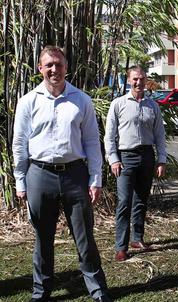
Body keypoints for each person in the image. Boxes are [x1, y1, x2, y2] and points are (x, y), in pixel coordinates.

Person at [12, 46, 112, 301]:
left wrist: (95, 178)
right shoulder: (28, 101)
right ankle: (41, 291)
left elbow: (92, 142)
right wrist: (20, 180)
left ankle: (97, 289)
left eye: (59, 64)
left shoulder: (81, 99)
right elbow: (19, 143)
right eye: (49, 65)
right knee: (42, 238)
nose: (54, 69)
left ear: (66, 67)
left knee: (85, 236)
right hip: (39, 174)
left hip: (75, 176)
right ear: (40, 69)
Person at [105, 66, 167, 262]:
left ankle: (137, 238)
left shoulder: (152, 106)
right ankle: (121, 247)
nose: (139, 82)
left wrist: (161, 159)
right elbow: (109, 136)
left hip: (147, 156)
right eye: (135, 79)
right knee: (124, 202)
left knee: (141, 199)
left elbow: (159, 135)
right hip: (126, 157)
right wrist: (113, 158)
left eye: (142, 79)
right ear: (129, 80)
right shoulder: (118, 104)